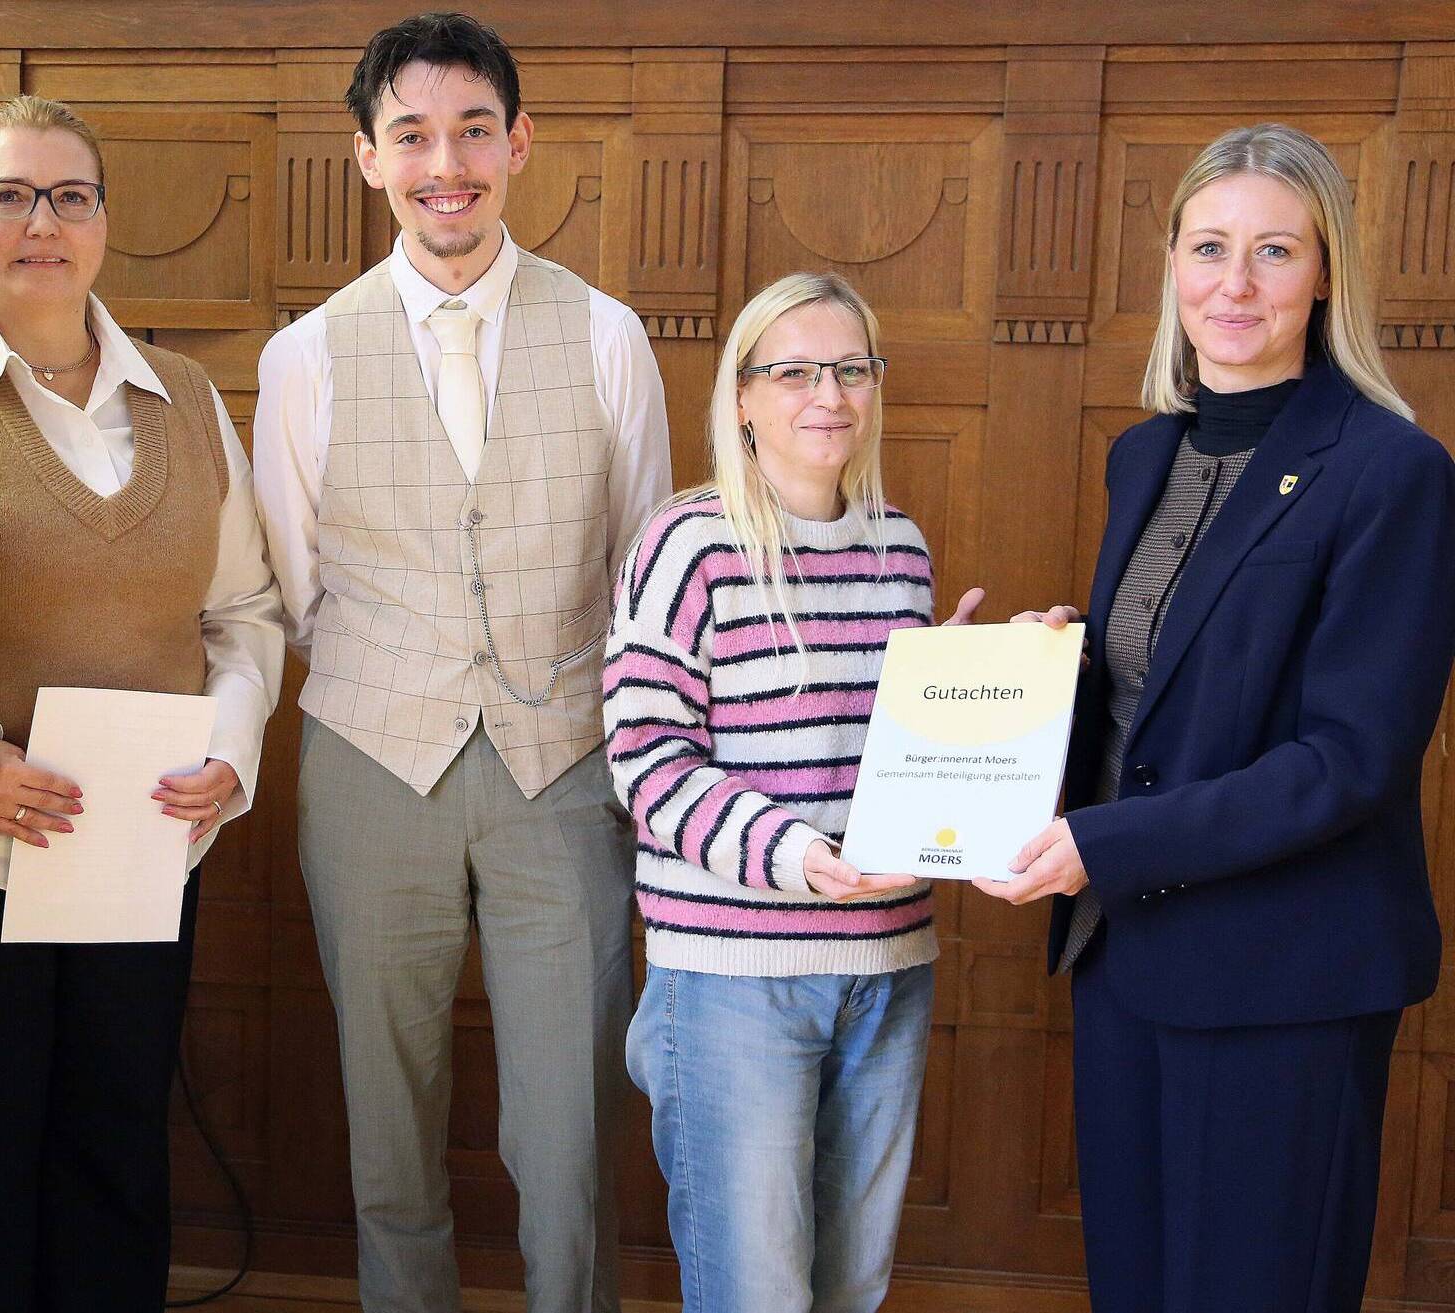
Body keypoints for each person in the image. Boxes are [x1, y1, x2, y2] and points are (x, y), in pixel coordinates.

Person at [992, 123, 1455, 1312]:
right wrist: (1048, 672)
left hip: (1283, 975)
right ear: (1172, 265)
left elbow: (1344, 760)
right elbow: (1167, 690)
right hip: (1127, 955)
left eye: (1271, 251)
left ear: (1325, 275)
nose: (1233, 284)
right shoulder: (1143, 454)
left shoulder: (1389, 470)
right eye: (1208, 247)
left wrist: (1106, 842)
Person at [252, 12, 671, 1312]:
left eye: (473, 131)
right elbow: (298, 585)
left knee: (567, 1139)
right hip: (374, 769)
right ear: (369, 155)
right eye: (414, 135)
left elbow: (637, 579)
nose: (448, 163)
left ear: (519, 142)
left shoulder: (609, 335)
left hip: (567, 770)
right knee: (389, 1133)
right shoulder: (305, 356)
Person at [0, 94, 284, 1312]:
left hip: (140, 859)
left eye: (68, 195)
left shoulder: (186, 397)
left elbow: (243, 613)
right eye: (6, 194)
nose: (39, 222)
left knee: (114, 1165)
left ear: (103, 221)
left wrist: (230, 753)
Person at [608, 272, 980, 1313]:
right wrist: (797, 856)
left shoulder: (896, 546)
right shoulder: (685, 544)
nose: (828, 394)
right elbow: (645, 757)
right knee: (755, 1294)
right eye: (794, 371)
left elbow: (886, 756)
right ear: (740, 395)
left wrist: (978, 694)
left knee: (848, 1287)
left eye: (851, 368)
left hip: (889, 964)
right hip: (734, 977)